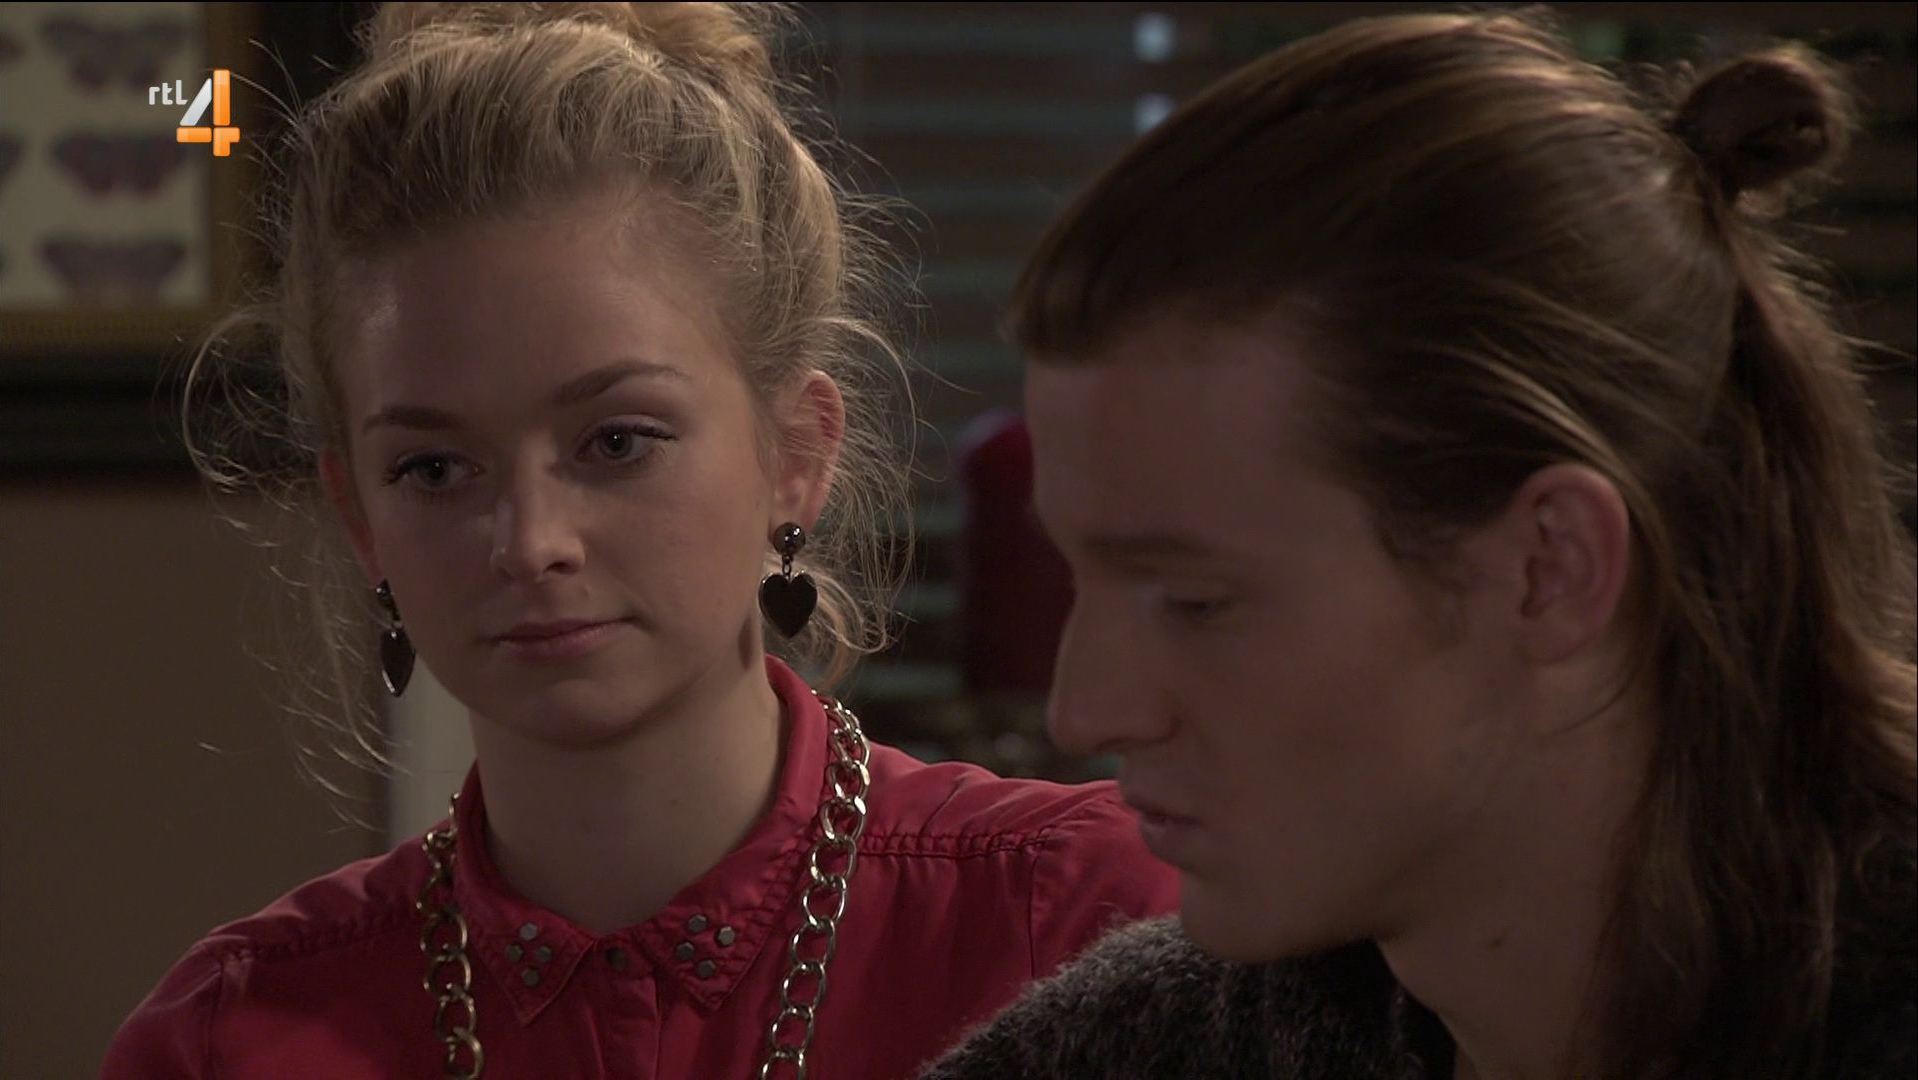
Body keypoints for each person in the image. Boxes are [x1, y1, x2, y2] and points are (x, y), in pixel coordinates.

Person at [102, 4, 1178, 1077]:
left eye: (617, 442)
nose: (531, 542)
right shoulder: (230, 1038)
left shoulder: (1086, 921)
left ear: (794, 454)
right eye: (432, 469)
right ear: (359, 519)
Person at [922, 8, 1915, 1080]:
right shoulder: (1145, 1049)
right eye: (1081, 576)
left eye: (1198, 602)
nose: (1084, 712)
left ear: (1551, 569)